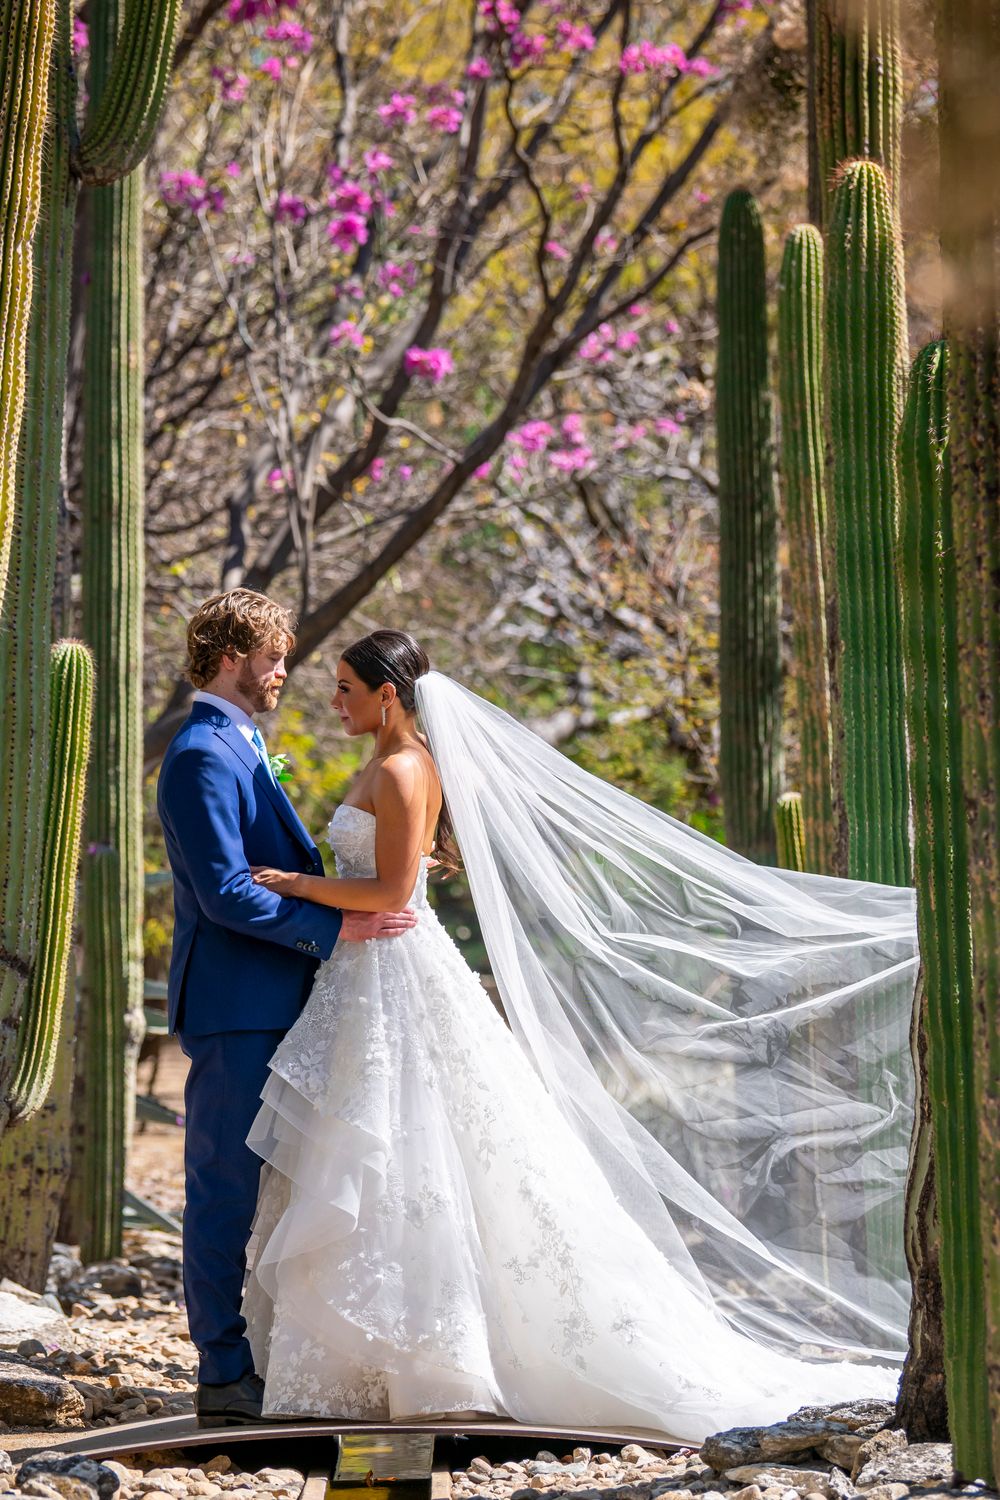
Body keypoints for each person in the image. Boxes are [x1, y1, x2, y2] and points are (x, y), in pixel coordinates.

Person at [240, 628, 920, 1441]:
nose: (335, 699)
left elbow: (393, 890)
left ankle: (438, 1358)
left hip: (392, 970)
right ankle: (374, 1364)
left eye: (347, 686)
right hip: (369, 974)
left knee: (411, 1145)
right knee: (390, 1151)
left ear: (389, 694)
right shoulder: (386, 763)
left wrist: (292, 884)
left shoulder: (400, 768)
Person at [156, 592, 417, 1430]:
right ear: (231, 657)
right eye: (272, 658)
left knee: (280, 1192)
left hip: (281, 998)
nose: (282, 675)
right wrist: (338, 924)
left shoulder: (240, 744)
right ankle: (223, 1376)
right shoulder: (201, 752)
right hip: (238, 1005)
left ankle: (272, 1355)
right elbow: (227, 892)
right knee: (223, 1188)